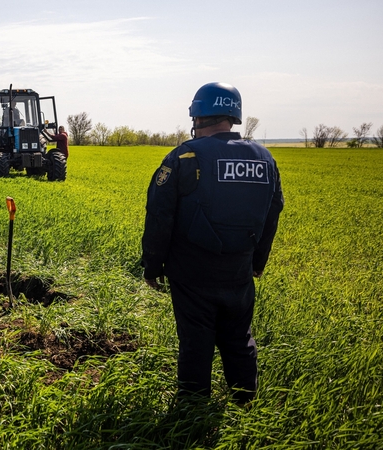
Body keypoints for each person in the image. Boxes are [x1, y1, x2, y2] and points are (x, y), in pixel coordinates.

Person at [140, 82, 284, 405]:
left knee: (196, 342)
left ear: (198, 116)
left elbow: (159, 216)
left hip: (193, 277)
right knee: (238, 338)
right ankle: (245, 404)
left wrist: (152, 266)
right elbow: (272, 214)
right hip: (240, 274)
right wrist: (257, 263)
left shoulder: (184, 157)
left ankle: (192, 414)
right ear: (233, 115)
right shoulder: (264, 159)